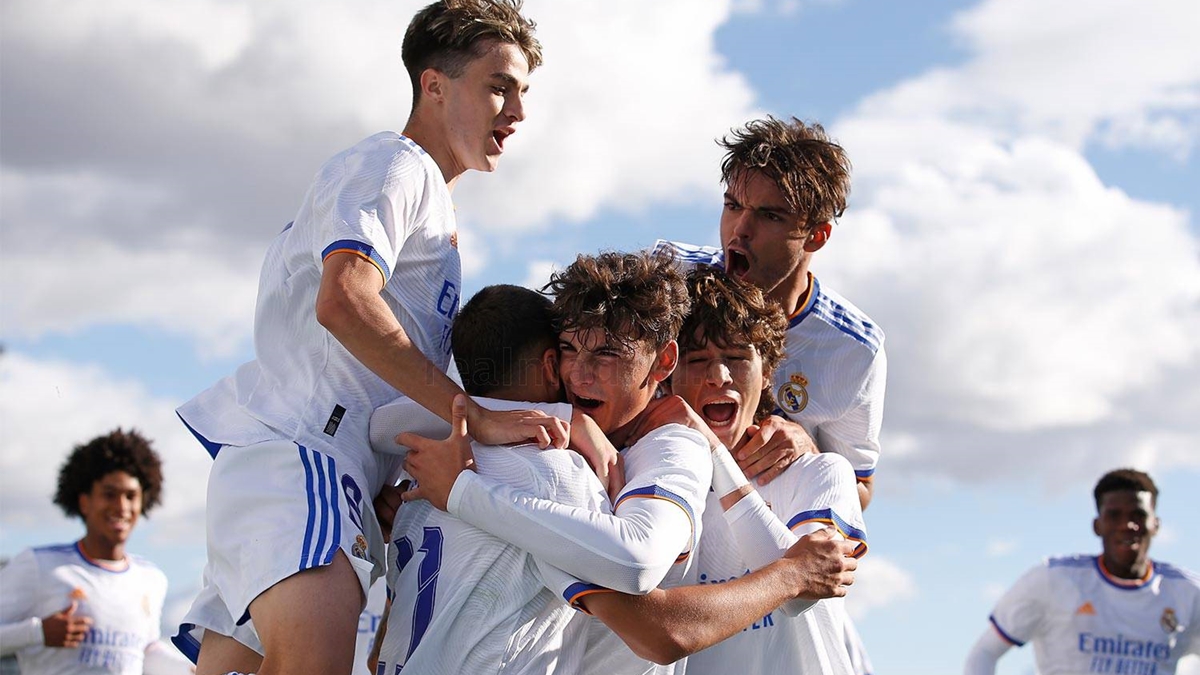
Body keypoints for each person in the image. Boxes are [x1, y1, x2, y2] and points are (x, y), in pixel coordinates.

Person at [168, 3, 563, 675]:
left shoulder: (432, 199)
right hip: (303, 458)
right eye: (500, 85)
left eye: (524, 92)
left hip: (318, 467)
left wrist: (394, 470)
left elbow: (375, 363)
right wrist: (472, 416)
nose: (517, 111)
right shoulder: (395, 165)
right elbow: (345, 298)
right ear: (433, 85)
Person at [391, 251, 858, 674]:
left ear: (662, 364)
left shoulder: (667, 448)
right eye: (570, 350)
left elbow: (658, 624)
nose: (579, 373)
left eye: (607, 354)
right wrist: (562, 417)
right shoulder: (542, 446)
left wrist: (465, 490)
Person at [368, 284, 611, 674]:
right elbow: (637, 565)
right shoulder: (558, 471)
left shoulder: (422, 477)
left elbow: (380, 424)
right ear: (550, 366)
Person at [655, 117, 886, 511]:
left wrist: (808, 449)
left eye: (770, 215)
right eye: (732, 206)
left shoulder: (854, 349)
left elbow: (860, 489)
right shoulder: (665, 277)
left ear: (816, 235)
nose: (739, 230)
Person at [964, 469, 1200, 675]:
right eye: (1114, 515)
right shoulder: (1053, 580)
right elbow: (984, 652)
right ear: (1097, 525)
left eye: (1138, 515)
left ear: (1155, 525)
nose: (1127, 525)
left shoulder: (1187, 593)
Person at [0, 429, 193, 675]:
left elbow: (142, 652)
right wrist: (38, 632)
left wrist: (193, 669)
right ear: (84, 502)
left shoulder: (151, 579)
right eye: (109, 494)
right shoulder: (40, 565)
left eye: (131, 496)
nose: (122, 507)